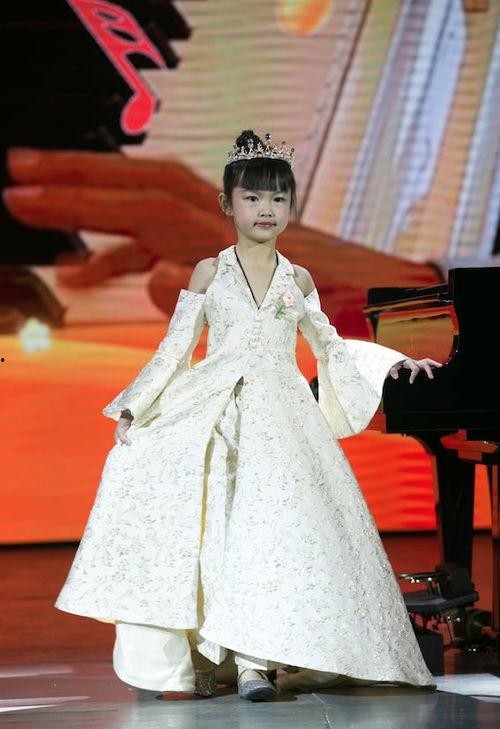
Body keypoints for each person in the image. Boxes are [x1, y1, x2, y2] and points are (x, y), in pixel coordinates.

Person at [54, 129, 442, 701]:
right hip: (216, 415)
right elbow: (175, 349)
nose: (266, 209)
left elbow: (331, 346)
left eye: (278, 198)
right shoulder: (209, 273)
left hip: (284, 422)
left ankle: (256, 663)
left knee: (273, 537)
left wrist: (395, 362)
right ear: (227, 203)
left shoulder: (298, 278)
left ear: (291, 206)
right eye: (253, 197)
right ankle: (217, 657)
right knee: (219, 534)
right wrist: (136, 405)